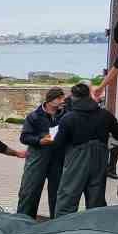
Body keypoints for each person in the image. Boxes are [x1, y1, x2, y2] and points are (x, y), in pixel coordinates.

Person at [54, 83, 118, 216]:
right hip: (99, 162)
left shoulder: (69, 118)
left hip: (76, 162)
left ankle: (62, 232)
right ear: (89, 95)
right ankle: (95, 232)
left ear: (73, 97)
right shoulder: (105, 115)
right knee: (96, 203)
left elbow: (58, 144)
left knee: (67, 201)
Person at [16, 87, 68, 218]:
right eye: (59, 98)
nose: (62, 101)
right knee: (29, 191)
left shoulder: (65, 116)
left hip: (58, 159)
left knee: (58, 194)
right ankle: (24, 222)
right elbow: (24, 137)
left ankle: (57, 224)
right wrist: (40, 140)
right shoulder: (34, 116)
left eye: (63, 98)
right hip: (37, 158)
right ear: (50, 100)